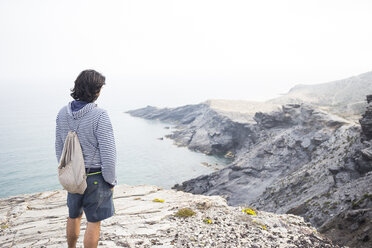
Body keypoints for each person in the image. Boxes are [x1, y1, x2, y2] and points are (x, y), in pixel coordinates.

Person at [55, 69, 117, 248]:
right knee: (93, 221)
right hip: (95, 177)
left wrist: (67, 172)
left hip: (72, 175)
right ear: (94, 90)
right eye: (99, 89)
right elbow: (108, 153)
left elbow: (59, 147)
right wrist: (110, 180)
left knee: (73, 215)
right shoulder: (100, 115)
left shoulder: (62, 113)